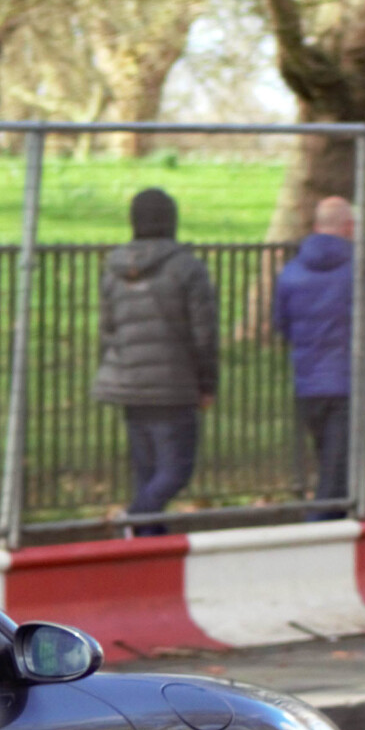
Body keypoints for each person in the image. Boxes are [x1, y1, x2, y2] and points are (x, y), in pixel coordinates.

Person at [94, 187, 218, 536]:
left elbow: (108, 331)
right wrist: (207, 383)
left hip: (131, 385)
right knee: (176, 470)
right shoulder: (187, 268)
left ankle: (148, 540)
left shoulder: (113, 270)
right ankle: (136, 517)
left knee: (147, 471)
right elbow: (204, 334)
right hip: (173, 386)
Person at [273, 195, 365, 519]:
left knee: (334, 467)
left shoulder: (290, 273)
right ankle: (314, 539)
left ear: (318, 226)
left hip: (309, 386)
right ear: (349, 227)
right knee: (336, 477)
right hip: (351, 385)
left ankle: (339, 535)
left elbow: (281, 325)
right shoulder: (362, 271)